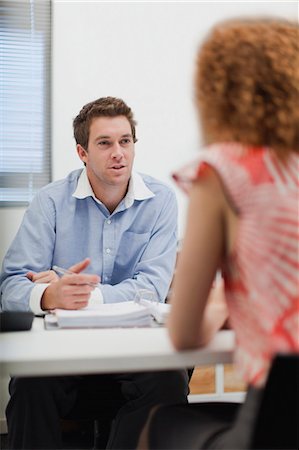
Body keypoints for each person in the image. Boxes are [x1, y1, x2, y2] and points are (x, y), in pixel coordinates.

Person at [138, 18, 299, 449]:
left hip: (278, 424)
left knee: (161, 422)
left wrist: (218, 304)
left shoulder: (222, 171)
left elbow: (184, 334)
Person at [0, 96, 189, 449]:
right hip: (63, 354)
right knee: (29, 383)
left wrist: (81, 296)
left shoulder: (161, 200)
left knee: (169, 380)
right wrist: (48, 295)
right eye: (104, 143)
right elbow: (11, 284)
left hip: (134, 351)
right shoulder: (50, 201)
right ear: (82, 153)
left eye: (125, 141)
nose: (118, 152)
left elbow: (151, 286)